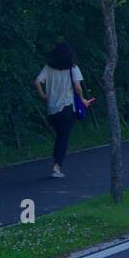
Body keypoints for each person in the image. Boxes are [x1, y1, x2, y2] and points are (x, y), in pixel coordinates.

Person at [35, 42, 86, 178]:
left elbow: (37, 81)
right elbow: (77, 86)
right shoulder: (73, 68)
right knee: (63, 137)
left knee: (60, 135)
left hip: (52, 109)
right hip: (67, 107)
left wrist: (43, 95)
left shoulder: (49, 68)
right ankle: (56, 167)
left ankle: (56, 160)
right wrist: (82, 98)